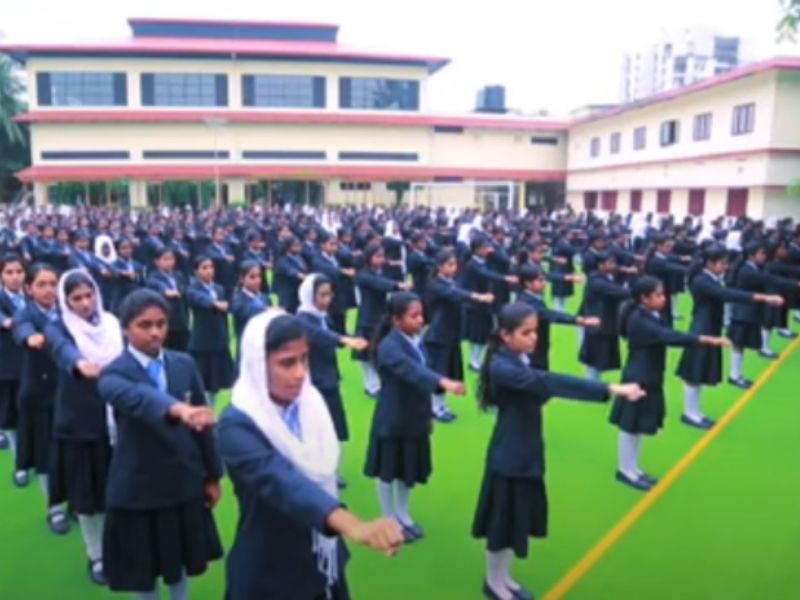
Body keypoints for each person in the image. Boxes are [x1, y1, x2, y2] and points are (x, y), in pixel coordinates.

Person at [218, 310, 404, 600]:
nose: (300, 373)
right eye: (286, 363)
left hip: (323, 557)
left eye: (304, 358)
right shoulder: (236, 423)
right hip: (271, 566)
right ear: (257, 365)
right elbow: (281, 481)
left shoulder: (311, 403)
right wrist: (353, 525)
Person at [472, 302, 645, 600]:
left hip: (524, 447)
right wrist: (610, 389)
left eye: (535, 331)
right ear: (505, 336)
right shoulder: (503, 366)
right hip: (509, 454)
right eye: (525, 333)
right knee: (502, 523)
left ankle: (504, 577)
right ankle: (493, 582)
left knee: (515, 520)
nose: (533, 338)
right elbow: (548, 382)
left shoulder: (518, 360)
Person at [97, 290, 224, 600]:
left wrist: (213, 475)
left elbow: (203, 428)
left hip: (182, 481)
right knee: (144, 570)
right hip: (138, 487)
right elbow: (139, 398)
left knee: (180, 562)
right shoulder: (114, 373)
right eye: (144, 325)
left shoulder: (184, 363)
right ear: (126, 328)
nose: (155, 332)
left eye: (161, 323)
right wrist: (178, 410)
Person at [611, 276, 730, 491]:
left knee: (637, 427)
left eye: (662, 293)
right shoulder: (639, 320)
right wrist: (707, 340)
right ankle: (625, 470)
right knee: (630, 426)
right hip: (638, 377)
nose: (663, 298)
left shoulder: (650, 314)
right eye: (657, 295)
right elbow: (668, 336)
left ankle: (633, 468)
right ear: (643, 298)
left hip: (650, 375)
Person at [364, 292, 466, 543]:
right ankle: (388, 518)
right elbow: (412, 371)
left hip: (414, 416)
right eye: (414, 316)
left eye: (421, 314)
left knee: (407, 469)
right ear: (397, 320)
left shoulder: (415, 340)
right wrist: (442, 381)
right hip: (393, 419)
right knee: (388, 470)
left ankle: (403, 514)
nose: (421, 320)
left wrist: (427, 413)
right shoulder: (389, 346)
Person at [47, 269, 123, 585]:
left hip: (118, 421)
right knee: (87, 496)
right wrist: (80, 364)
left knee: (117, 490)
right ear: (66, 301)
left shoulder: (112, 323)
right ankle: (97, 556)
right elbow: (62, 350)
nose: (85, 303)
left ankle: (119, 548)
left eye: (88, 295)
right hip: (81, 426)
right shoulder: (58, 326)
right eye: (76, 298)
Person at [676, 245, 784, 428]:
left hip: (709, 327)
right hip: (703, 328)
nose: (725, 267)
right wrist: (763, 297)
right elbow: (725, 294)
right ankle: (690, 412)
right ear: (710, 263)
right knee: (694, 372)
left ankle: (694, 411)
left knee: (699, 372)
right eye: (722, 263)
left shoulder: (710, 278)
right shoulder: (702, 280)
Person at [12, 263, 70, 534]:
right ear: (29, 288)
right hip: (40, 396)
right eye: (42, 284)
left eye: (53, 283)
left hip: (70, 393)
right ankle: (54, 507)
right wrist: (30, 338)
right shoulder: (27, 314)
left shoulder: (68, 311)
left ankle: (74, 500)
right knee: (46, 455)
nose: (49, 289)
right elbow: (20, 329)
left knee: (72, 451)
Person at [296, 274, 369, 488]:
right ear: (310, 295)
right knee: (313, 429)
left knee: (333, 427)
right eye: (322, 295)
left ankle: (332, 471)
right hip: (311, 382)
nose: (327, 300)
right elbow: (317, 335)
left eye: (329, 294)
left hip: (329, 378)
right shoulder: (302, 318)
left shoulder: (321, 315)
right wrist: (344, 339)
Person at [423, 249, 494, 422]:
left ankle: (441, 405)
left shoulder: (450, 282)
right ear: (440, 267)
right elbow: (455, 295)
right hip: (439, 335)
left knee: (448, 371)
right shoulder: (435, 284)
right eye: (450, 265)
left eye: (455, 264)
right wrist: (477, 296)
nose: (454, 268)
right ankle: (434, 407)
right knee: (439, 372)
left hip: (451, 334)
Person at [354, 243, 412, 397]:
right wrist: (398, 285)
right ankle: (370, 386)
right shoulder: (364, 274)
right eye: (377, 256)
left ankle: (377, 383)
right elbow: (380, 285)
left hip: (379, 317)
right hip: (367, 319)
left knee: (377, 352)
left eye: (382, 256)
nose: (381, 260)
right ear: (368, 258)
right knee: (365, 354)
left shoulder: (378, 272)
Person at [516, 264, 599, 371]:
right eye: (540, 281)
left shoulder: (532, 297)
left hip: (539, 349)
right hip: (533, 353)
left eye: (544, 280)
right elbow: (549, 314)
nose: (544, 284)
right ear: (527, 283)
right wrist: (579, 320)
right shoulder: (526, 302)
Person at [461, 237, 518, 371]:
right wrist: (505, 277)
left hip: (485, 303)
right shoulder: (472, 264)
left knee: (484, 333)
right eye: (484, 248)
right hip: (475, 304)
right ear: (476, 249)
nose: (487, 250)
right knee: (476, 335)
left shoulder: (483, 261)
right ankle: (473, 361)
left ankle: (477, 360)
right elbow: (486, 274)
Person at [186, 256, 234, 406]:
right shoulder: (192, 288)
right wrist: (214, 304)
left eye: (211, 267)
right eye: (204, 268)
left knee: (217, 381)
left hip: (219, 339)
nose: (209, 271)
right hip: (202, 341)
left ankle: (212, 408)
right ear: (196, 271)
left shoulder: (219, 288)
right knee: (201, 380)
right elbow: (199, 299)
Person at [578, 252, 629, 379]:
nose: (614, 265)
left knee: (599, 361)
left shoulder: (606, 277)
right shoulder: (596, 280)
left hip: (604, 324)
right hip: (597, 325)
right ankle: (592, 389)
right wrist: (639, 292)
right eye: (610, 263)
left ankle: (594, 387)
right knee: (595, 361)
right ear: (600, 265)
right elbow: (619, 292)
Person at [0, 254, 26, 484]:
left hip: (32, 366)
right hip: (7, 366)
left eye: (19, 271)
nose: (15, 277)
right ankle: (20, 463)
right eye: (9, 272)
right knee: (10, 415)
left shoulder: (31, 295)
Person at [146, 248, 190, 352]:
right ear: (157, 262)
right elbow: (159, 287)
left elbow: (184, 290)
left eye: (171, 259)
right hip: (166, 322)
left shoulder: (178, 276)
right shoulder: (153, 277)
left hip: (181, 321)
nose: (169, 262)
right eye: (165, 259)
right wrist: (167, 291)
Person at [231, 260, 271, 362]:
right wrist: (267, 310)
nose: (257, 280)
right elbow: (248, 310)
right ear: (242, 279)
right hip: (247, 348)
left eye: (259, 277)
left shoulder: (264, 297)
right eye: (252, 277)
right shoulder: (238, 299)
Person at [273, 236, 308, 314]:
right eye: (295, 246)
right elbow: (291, 271)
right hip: (287, 297)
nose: (298, 248)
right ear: (288, 248)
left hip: (298, 295)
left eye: (299, 245)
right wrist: (301, 275)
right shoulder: (282, 260)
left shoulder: (299, 258)